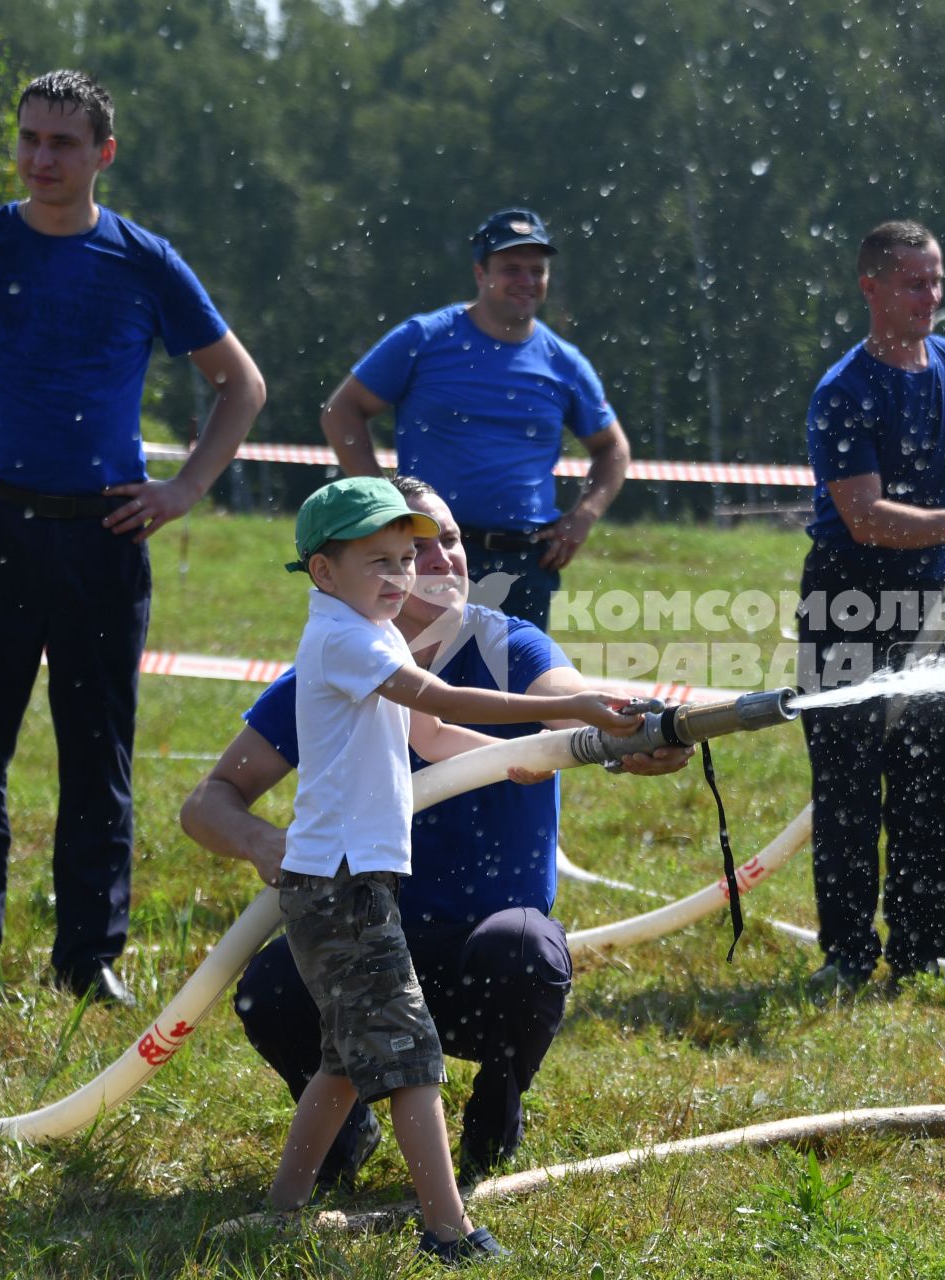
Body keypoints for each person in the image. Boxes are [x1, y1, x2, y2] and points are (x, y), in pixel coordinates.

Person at [0, 69, 267, 1005]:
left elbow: (241, 383)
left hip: (102, 539)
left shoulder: (145, 260)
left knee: (97, 754)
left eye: (63, 143)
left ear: (102, 154)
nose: (42, 159)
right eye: (30, 139)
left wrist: (187, 486)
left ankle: (89, 960)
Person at [181, 476, 690, 1191]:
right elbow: (207, 803)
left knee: (524, 956)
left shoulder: (511, 644)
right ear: (339, 569)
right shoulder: (340, 659)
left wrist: (626, 737)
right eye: (406, 550)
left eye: (446, 540)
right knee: (270, 990)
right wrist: (272, 847)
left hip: (484, 946)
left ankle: (494, 1109)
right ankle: (362, 1160)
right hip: (362, 920)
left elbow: (546, 714)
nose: (441, 558)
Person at [259, 476, 641, 1263]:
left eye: (413, 555)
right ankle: (449, 1229)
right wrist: (566, 717)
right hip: (341, 881)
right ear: (323, 571)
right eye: (383, 561)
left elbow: (431, 736)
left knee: (345, 1054)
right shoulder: (350, 639)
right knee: (409, 1055)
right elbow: (437, 695)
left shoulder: (372, 629)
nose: (406, 575)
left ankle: (283, 1207)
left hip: (354, 877)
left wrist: (518, 761)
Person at [795, 220, 945, 995]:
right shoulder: (845, 392)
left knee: (932, 780)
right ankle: (847, 953)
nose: (930, 297)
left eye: (936, 281)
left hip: (938, 598)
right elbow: (865, 516)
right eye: (912, 283)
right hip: (849, 599)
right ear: (871, 286)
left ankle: (922, 953)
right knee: (849, 786)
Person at [317, 207, 630, 631]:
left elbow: (612, 447)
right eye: (511, 269)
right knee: (426, 683)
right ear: (480, 273)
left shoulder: (564, 363)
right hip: (428, 552)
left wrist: (584, 516)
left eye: (537, 271)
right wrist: (385, 508)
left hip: (525, 560)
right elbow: (341, 412)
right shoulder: (424, 338)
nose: (526, 281)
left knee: (515, 687)